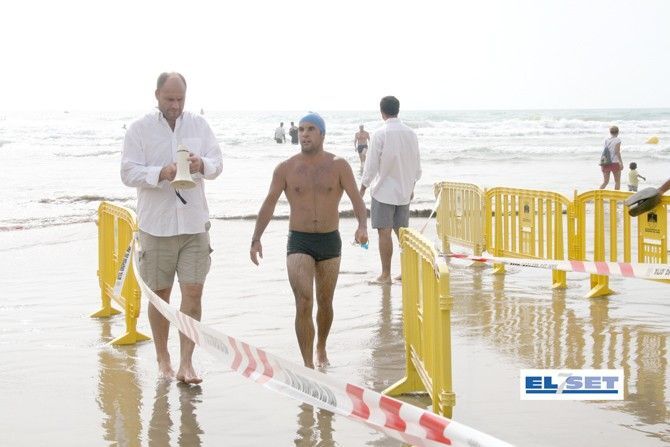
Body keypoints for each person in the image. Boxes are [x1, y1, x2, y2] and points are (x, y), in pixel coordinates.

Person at [121, 72, 223, 384]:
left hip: (194, 224)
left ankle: (186, 363)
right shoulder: (139, 128)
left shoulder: (199, 125)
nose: (175, 105)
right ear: (157, 95)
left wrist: (202, 165)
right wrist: (160, 173)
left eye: (180, 99)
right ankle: (163, 358)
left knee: (193, 293)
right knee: (160, 296)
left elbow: (217, 164)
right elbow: (127, 173)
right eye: (169, 99)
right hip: (156, 225)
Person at [249, 112, 368, 368]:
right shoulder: (285, 168)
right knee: (303, 301)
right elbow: (269, 203)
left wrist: (362, 226)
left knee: (325, 303)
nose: (304, 134)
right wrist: (256, 238)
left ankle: (321, 347)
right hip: (299, 241)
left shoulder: (339, 165)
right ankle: (307, 365)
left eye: (311, 129)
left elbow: (357, 199)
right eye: (301, 129)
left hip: (329, 240)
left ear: (322, 134)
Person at [360, 96, 421, 284]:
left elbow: (371, 166)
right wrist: (411, 186)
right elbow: (416, 166)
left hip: (383, 192)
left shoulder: (380, 133)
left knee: (384, 233)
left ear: (382, 112)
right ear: (398, 110)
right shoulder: (411, 134)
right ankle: (406, 272)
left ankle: (385, 274)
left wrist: (362, 189)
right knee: (402, 234)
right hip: (404, 191)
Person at [599, 126, 623, 190]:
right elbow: (617, 152)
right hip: (614, 162)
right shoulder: (617, 140)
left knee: (605, 182)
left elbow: (605, 150)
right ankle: (616, 195)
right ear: (618, 132)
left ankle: (598, 194)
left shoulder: (606, 140)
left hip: (606, 162)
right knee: (617, 182)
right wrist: (621, 162)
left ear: (610, 132)